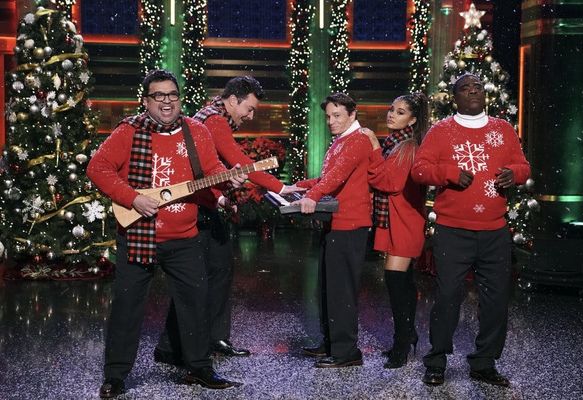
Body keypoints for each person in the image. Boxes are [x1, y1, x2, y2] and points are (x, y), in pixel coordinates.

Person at [87, 69, 247, 398]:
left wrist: (228, 179)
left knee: (196, 303)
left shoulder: (196, 130)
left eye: (172, 94)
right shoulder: (128, 131)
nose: (166, 101)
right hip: (138, 234)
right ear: (146, 101)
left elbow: (211, 169)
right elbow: (97, 168)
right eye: (158, 95)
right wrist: (132, 198)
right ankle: (115, 376)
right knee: (127, 308)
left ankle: (199, 368)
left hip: (184, 237)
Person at [154, 76, 304, 364]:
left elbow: (205, 168)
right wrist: (281, 187)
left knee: (215, 272)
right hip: (196, 211)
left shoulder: (210, 115)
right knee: (202, 278)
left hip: (202, 205)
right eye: (249, 108)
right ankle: (179, 345)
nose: (250, 116)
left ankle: (204, 340)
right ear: (233, 100)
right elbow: (239, 162)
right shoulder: (215, 121)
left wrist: (220, 198)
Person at [411, 73, 530, 387]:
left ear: (484, 93)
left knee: (496, 300)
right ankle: (436, 361)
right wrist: (449, 173)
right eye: (465, 88)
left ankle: (484, 363)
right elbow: (419, 170)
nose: (473, 91)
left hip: (495, 232)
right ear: (455, 97)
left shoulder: (503, 129)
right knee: (448, 296)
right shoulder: (441, 131)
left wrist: (514, 174)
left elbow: (523, 166)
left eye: (477, 86)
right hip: (453, 231)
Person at [293, 92, 373, 368]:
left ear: (352, 114)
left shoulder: (358, 140)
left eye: (337, 115)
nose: (331, 121)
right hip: (336, 223)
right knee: (329, 288)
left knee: (342, 290)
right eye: (328, 116)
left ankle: (346, 351)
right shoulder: (341, 141)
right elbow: (328, 177)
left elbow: (338, 175)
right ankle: (331, 343)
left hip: (350, 224)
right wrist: (299, 187)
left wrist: (312, 196)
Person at [362, 92, 429, 369]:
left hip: (404, 220)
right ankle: (406, 336)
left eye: (400, 112)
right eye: (392, 109)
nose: (391, 114)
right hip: (396, 217)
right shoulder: (395, 143)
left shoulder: (407, 146)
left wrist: (373, 146)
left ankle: (402, 344)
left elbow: (387, 182)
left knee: (395, 280)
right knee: (402, 281)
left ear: (412, 120)